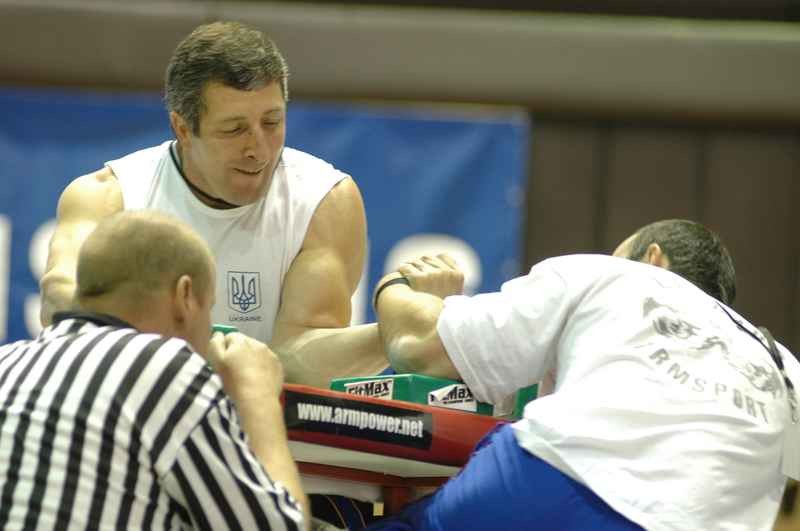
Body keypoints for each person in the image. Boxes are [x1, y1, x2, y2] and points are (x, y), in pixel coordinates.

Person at [368, 219, 799, 530]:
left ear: (652, 258)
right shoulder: (786, 367)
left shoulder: (619, 277)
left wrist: (396, 286)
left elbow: (420, 347)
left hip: (558, 483)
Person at [39, 20, 388, 390]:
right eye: (234, 129)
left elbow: (299, 364)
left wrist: (390, 337)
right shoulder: (109, 196)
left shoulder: (324, 199)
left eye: (272, 122)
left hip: (269, 427)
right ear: (183, 129)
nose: (259, 149)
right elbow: (59, 299)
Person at [0, 211, 308, 530]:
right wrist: (256, 394)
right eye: (209, 308)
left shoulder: (7, 361)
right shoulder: (164, 365)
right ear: (184, 296)